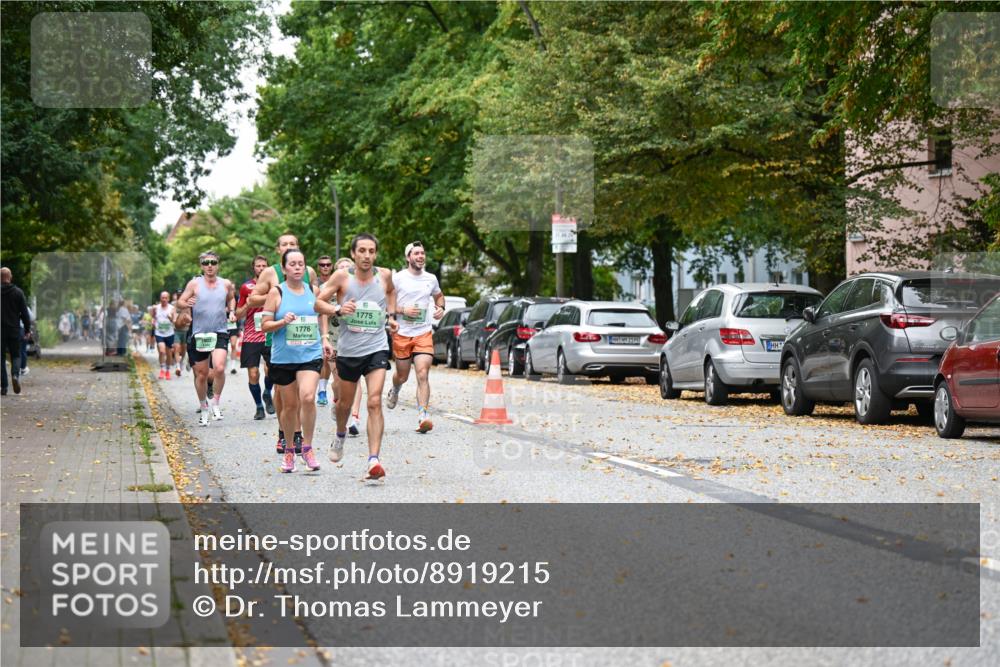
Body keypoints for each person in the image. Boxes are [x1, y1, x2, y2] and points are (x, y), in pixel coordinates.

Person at [315, 233, 397, 479]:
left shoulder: (384, 276)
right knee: (344, 406)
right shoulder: (342, 277)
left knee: (374, 401)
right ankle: (340, 434)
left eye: (371, 251)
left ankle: (374, 460)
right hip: (349, 350)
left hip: (377, 347)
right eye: (362, 250)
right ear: (353, 254)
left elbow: (391, 293)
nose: (367, 256)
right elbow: (317, 303)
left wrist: (392, 317)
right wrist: (337, 308)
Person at [248, 234, 319, 454]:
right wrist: (276, 296)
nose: (289, 247)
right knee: (283, 389)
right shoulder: (270, 273)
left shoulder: (308, 272)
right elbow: (252, 299)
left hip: (305, 338)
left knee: (303, 390)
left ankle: (296, 435)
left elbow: (316, 298)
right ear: (278, 250)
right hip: (277, 335)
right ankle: (284, 433)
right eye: (285, 244)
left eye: (293, 244)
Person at [261, 249, 329, 473]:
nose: (298, 267)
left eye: (301, 263)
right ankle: (289, 449)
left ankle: (307, 447)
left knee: (308, 397)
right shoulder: (276, 292)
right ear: (284, 268)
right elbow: (265, 325)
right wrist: (283, 322)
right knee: (289, 406)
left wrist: (325, 338)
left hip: (310, 354)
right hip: (284, 357)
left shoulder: (313, 290)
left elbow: (322, 314)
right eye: (293, 264)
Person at [386, 241, 445, 433]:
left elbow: (439, 296)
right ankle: (395, 389)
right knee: (402, 375)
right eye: (416, 253)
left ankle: (423, 415)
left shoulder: (431, 278)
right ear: (408, 257)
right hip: (402, 333)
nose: (420, 256)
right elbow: (387, 303)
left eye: (422, 253)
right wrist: (402, 310)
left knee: (422, 373)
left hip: (423, 332)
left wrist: (441, 308)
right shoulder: (398, 278)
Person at [177, 251, 236, 427]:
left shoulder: (225, 284)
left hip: (219, 331)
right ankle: (203, 408)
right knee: (202, 375)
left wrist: (232, 311)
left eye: (213, 262)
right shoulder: (194, 284)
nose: (209, 266)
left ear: (218, 264)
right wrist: (185, 304)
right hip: (199, 334)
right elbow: (180, 302)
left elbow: (231, 299)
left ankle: (215, 403)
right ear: (201, 266)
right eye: (205, 263)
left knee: (218, 368)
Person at [328, 258, 365, 437]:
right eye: (340, 267)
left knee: (355, 379)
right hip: (334, 341)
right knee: (337, 382)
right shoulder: (329, 290)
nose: (344, 270)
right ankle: (337, 401)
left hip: (354, 341)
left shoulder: (361, 290)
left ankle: (354, 418)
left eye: (347, 267)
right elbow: (319, 311)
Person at [235, 255, 273, 420]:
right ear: (254, 268)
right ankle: (259, 406)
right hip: (251, 333)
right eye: (258, 266)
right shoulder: (246, 287)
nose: (261, 268)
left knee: (272, 369)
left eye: (264, 265)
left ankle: (267, 393)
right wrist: (247, 305)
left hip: (270, 332)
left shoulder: (275, 286)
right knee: (253, 373)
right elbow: (237, 315)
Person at [1, 267, 32, 395]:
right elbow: (25, 313)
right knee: (16, 355)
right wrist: (27, 329)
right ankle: (15, 376)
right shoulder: (18, 292)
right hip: (14, 329)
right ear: (10, 277)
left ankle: (4, 387)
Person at [314, 255, 335, 407]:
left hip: (336, 323)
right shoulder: (315, 284)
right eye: (322, 265)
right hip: (318, 323)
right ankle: (321, 390)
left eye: (328, 264)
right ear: (318, 267)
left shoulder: (337, 280)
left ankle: (330, 389)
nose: (325, 267)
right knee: (323, 358)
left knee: (329, 359)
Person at [151, 291, 176, 379]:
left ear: (168, 299)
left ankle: (168, 370)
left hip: (169, 333)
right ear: (160, 298)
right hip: (159, 333)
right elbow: (153, 317)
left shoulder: (172, 308)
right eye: (163, 298)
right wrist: (153, 322)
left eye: (166, 298)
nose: (164, 299)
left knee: (169, 354)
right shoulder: (156, 308)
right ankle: (162, 369)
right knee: (162, 351)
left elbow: (174, 321)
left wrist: (170, 318)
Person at [172, 290, 190, 376]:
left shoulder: (187, 306)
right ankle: (178, 366)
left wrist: (184, 322)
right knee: (176, 348)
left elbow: (190, 319)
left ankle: (181, 361)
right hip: (176, 331)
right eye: (178, 295)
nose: (179, 296)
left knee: (183, 350)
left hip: (185, 331)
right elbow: (172, 315)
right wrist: (174, 319)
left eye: (181, 295)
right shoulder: (175, 305)